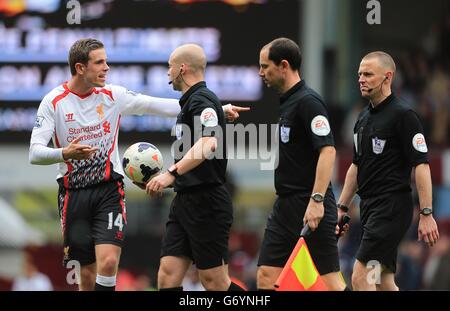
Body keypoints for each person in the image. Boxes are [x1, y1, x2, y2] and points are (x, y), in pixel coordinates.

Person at [28, 38, 247, 291]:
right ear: (80, 68)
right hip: (72, 194)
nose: (107, 68)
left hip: (108, 190)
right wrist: (65, 153)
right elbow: (35, 153)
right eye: (100, 62)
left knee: (109, 263)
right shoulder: (53, 101)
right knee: (89, 277)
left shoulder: (113, 95)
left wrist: (218, 108)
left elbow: (156, 105)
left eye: (106, 61)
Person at [145, 43, 246, 291]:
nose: (167, 72)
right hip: (184, 200)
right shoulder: (192, 102)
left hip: (207, 201)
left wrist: (170, 173)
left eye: (170, 67)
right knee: (167, 278)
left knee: (215, 282)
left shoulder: (202, 98)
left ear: (182, 68)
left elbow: (209, 142)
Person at [337, 51, 440, 291]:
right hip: (371, 208)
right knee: (383, 281)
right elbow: (356, 165)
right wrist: (342, 207)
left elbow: (421, 165)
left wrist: (426, 213)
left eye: (368, 74)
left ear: (387, 77)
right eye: (360, 74)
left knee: (360, 277)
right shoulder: (361, 117)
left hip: (391, 208)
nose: (361, 79)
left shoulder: (404, 115)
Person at [256, 38, 346, 291]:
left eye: (265, 66)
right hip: (285, 205)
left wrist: (316, 201)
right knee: (266, 277)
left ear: (283, 65)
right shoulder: (288, 102)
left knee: (330, 282)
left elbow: (328, 151)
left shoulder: (309, 102)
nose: (261, 72)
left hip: (311, 204)